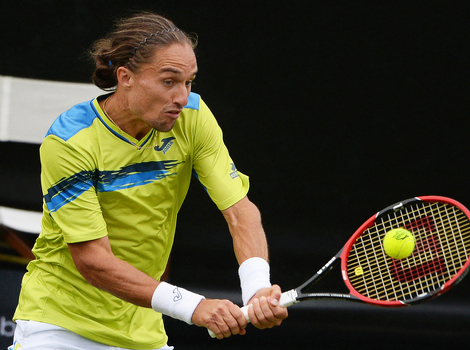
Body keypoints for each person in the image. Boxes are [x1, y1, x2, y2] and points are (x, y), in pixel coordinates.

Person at [10, 11, 288, 350]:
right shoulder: (71, 141)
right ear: (125, 77)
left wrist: (257, 287)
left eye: (189, 82)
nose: (182, 98)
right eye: (168, 81)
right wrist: (194, 307)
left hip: (143, 331)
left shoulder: (193, 118)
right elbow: (94, 261)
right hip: (60, 327)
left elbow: (240, 212)